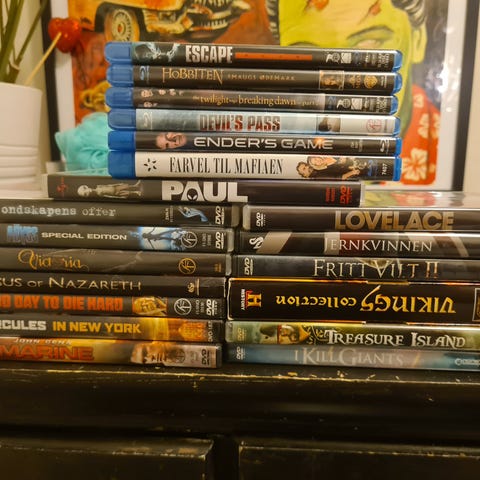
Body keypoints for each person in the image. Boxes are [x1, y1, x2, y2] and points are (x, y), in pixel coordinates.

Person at [268, 0, 440, 185]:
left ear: (417, 40)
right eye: (306, 54)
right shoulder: (273, 149)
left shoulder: (442, 153)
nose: (337, 83)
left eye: (369, 45)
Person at [296, 156, 366, 179]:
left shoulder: (324, 160)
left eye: (306, 165)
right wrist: (352, 172)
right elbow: (338, 178)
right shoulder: (319, 175)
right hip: (357, 172)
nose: (307, 167)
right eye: (304, 169)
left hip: (357, 162)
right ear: (304, 175)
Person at [77, 181, 142, 199]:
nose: (88, 191)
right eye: (86, 193)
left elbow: (108, 185)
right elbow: (107, 196)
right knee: (126, 192)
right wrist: (117, 197)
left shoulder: (98, 186)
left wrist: (117, 184)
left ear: (86, 187)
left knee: (125, 186)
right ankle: (136, 192)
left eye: (85, 189)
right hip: (114, 193)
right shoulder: (99, 194)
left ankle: (135, 185)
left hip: (114, 188)